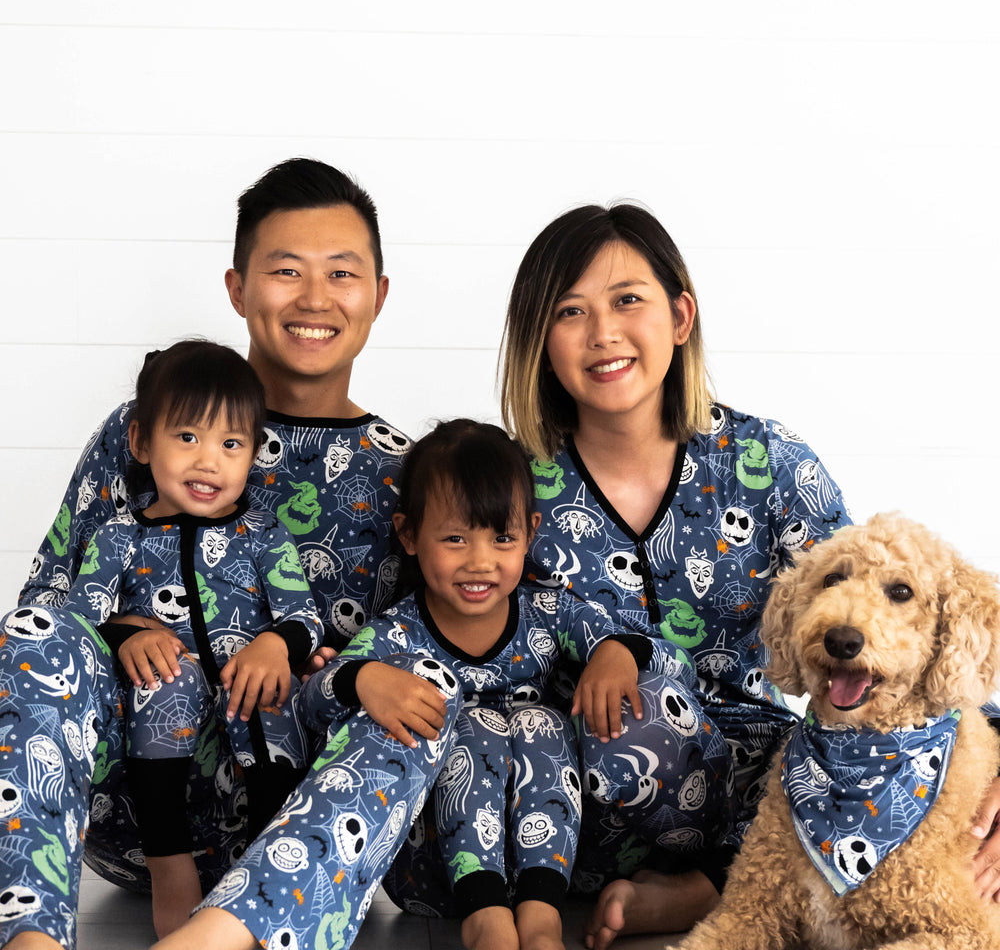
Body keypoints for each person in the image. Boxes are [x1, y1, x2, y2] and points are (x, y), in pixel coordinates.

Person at [0, 158, 408, 950]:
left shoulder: (403, 473)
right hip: (129, 810)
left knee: (418, 701)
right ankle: (32, 939)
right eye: (286, 271)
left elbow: (412, 644)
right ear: (237, 289)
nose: (315, 299)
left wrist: (308, 656)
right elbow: (47, 609)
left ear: (378, 295)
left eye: (342, 274)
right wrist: (123, 629)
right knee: (30, 639)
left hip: (298, 811)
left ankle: (237, 926)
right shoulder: (145, 425)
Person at [152, 418, 694, 950]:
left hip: (553, 862)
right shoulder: (398, 631)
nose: (480, 562)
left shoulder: (549, 611)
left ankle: (540, 922)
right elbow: (313, 702)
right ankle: (486, 921)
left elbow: (675, 664)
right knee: (472, 725)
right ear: (410, 536)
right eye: (455, 538)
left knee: (540, 721)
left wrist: (617, 652)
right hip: (428, 865)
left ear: (530, 532)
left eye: (502, 537)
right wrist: (364, 678)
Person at [499, 202, 853, 949]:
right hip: (596, 787)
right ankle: (724, 885)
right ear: (540, 341)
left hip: (766, 786)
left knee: (875, 755)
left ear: (680, 316)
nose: (603, 334)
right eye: (570, 311)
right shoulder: (508, 488)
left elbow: (874, 625)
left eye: (628, 300)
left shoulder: (770, 462)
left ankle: (713, 886)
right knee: (639, 702)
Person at [61, 339, 324, 936]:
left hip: (248, 750)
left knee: (269, 689)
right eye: (187, 438)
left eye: (231, 444)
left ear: (253, 454)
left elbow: (303, 615)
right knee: (164, 677)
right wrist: (126, 634)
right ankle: (170, 866)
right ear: (140, 442)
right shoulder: (119, 536)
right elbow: (77, 621)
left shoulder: (262, 533)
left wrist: (275, 644)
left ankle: (267, 867)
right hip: (154, 773)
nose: (210, 462)